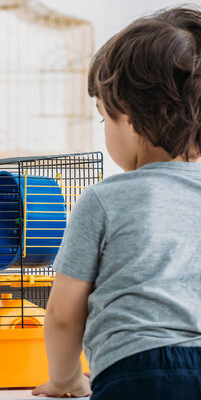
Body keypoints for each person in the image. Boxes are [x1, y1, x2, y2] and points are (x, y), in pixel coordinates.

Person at [32, 6, 201, 399]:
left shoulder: (104, 200)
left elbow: (62, 315)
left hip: (136, 372)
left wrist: (65, 379)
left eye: (103, 119)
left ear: (128, 119)